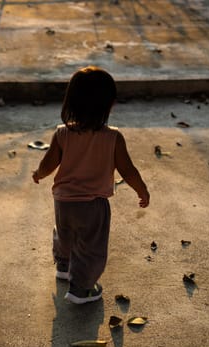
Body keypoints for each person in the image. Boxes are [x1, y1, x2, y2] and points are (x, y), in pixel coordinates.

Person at [32, 66, 150, 304]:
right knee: (91, 248)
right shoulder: (113, 138)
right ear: (110, 105)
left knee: (66, 233)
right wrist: (142, 189)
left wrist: (38, 174)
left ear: (71, 101)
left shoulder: (62, 134)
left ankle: (64, 266)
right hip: (93, 205)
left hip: (63, 200)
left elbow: (48, 164)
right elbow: (127, 170)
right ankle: (81, 289)